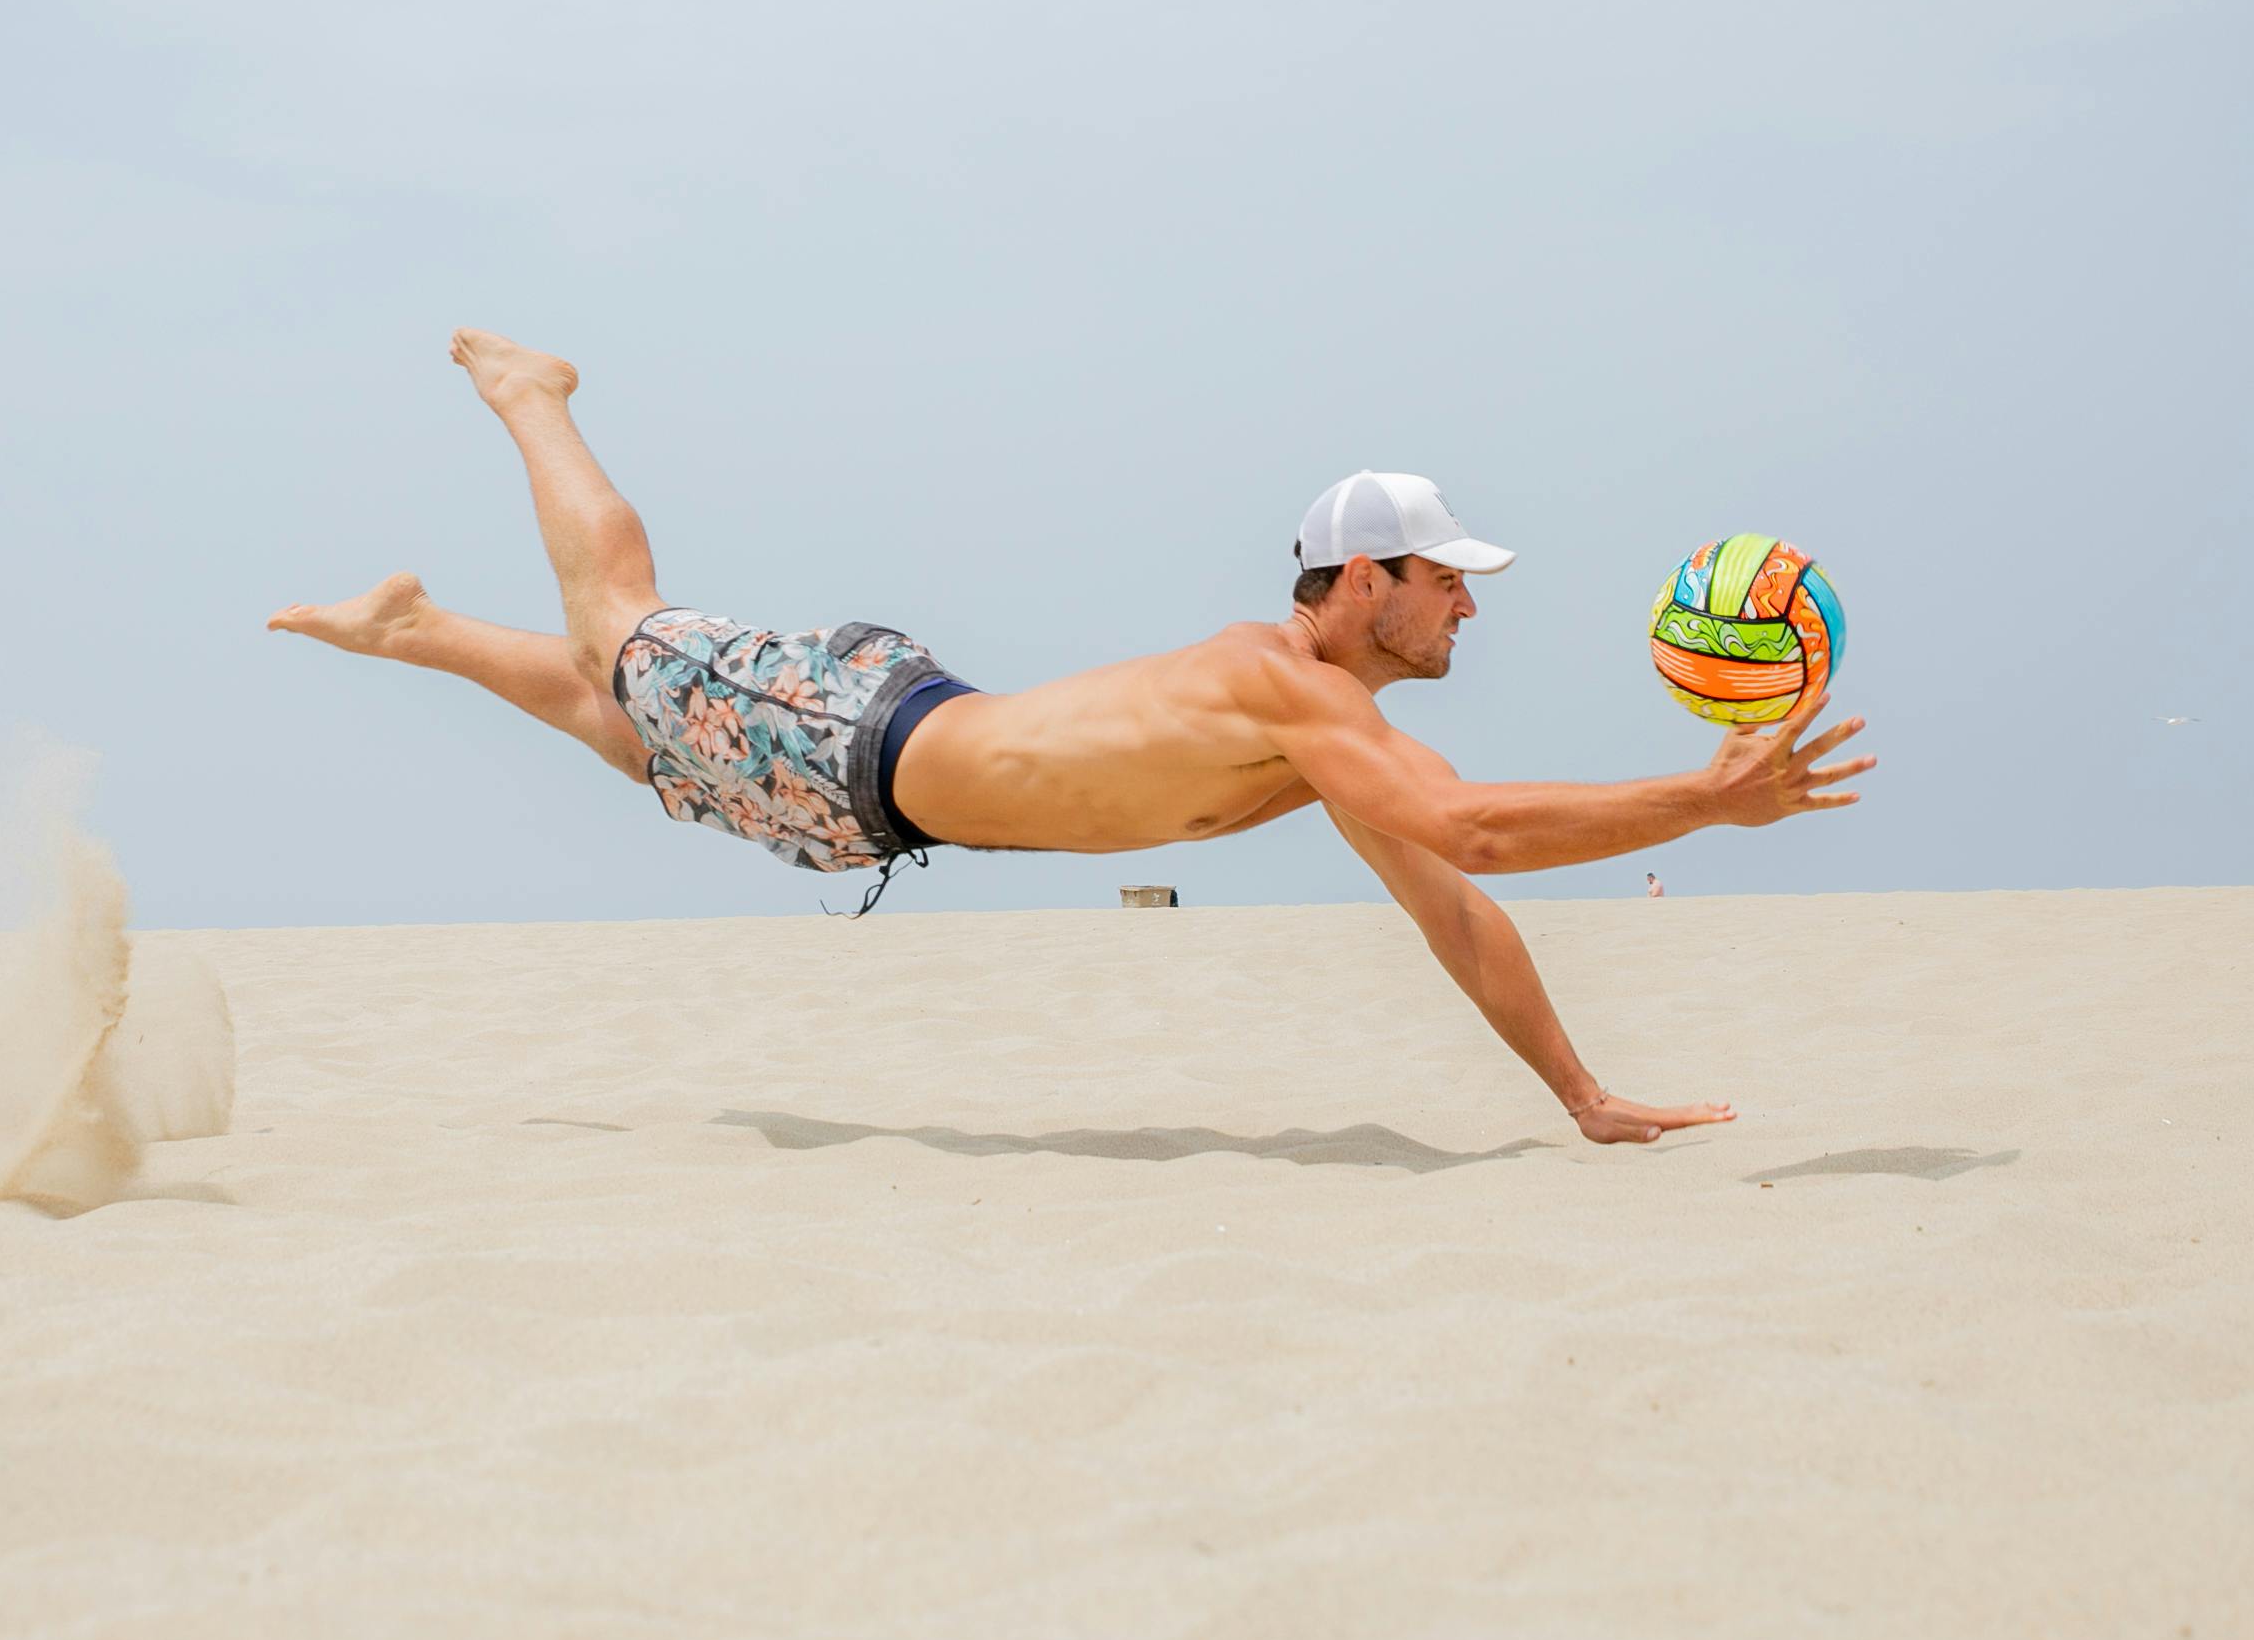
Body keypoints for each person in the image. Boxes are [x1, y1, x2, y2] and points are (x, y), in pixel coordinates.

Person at [271, 332, 1874, 1145]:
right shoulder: (1291, 688)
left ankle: (413, 629)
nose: (1469, 613)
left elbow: (1453, 902)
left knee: (641, 747)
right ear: (1365, 581)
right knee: (618, 626)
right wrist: (1699, 801)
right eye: (1447, 585)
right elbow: (1476, 834)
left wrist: (1582, 1095)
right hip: (857, 731)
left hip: (877, 808)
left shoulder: (1330, 734)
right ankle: (533, 397)